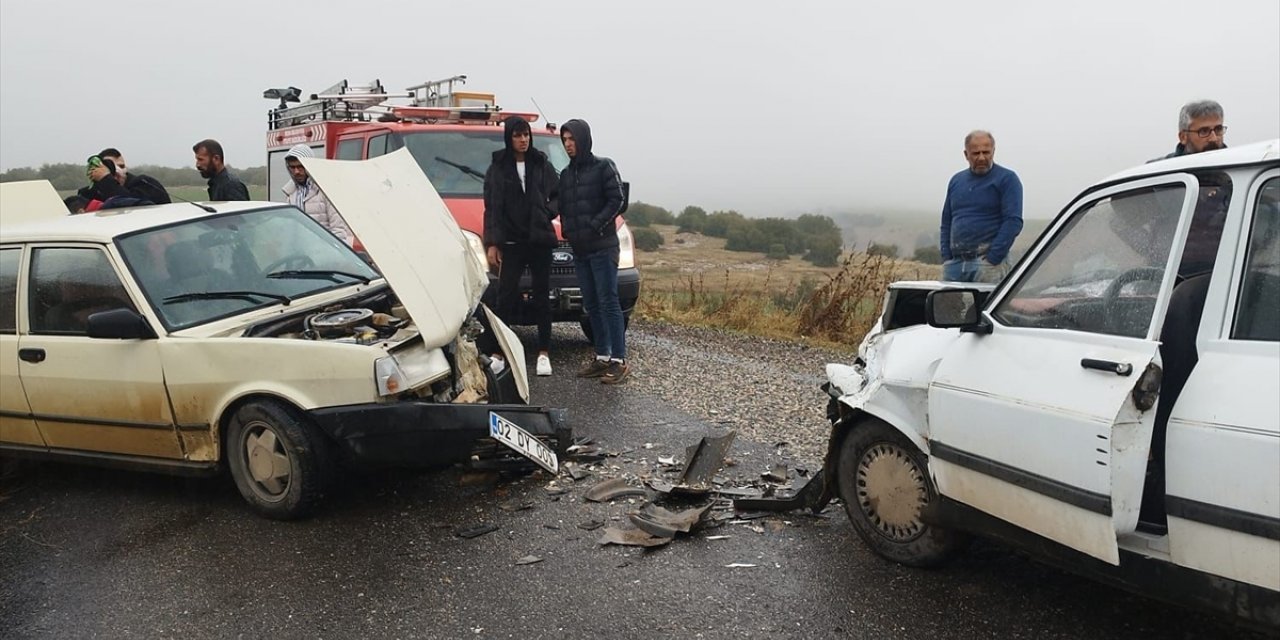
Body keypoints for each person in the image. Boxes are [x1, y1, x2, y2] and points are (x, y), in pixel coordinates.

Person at [483, 116, 559, 376]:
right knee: (504, 298)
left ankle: (544, 353)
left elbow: (557, 195)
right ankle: (499, 353)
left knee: (542, 296)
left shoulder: (540, 162)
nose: (523, 139)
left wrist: (545, 213)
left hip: (539, 241)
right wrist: (492, 243)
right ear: (509, 137)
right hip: (511, 243)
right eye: (517, 135)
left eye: (526, 134)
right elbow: (491, 207)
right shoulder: (498, 166)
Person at [557, 119, 629, 384]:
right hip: (580, 250)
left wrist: (596, 224)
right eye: (564, 140)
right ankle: (601, 357)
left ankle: (619, 361)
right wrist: (567, 230)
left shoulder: (603, 166)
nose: (568, 145)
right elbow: (561, 205)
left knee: (609, 301)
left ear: (583, 139)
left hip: (603, 247)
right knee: (591, 304)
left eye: (572, 139)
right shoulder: (565, 174)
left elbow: (618, 199)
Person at [938, 130, 1023, 283]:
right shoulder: (956, 181)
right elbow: (946, 222)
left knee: (986, 307)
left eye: (986, 152)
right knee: (950, 307)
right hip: (955, 265)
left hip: (988, 264)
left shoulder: (1007, 179)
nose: (982, 158)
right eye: (976, 153)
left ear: (994, 151)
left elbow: (1013, 221)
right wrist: (946, 257)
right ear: (966, 154)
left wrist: (993, 258)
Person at [281, 145, 353, 245]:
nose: (296, 171)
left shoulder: (326, 190)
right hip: (303, 255)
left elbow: (339, 230)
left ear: (309, 165)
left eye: (300, 166)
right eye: (292, 167)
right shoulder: (290, 194)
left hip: (325, 255)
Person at [1151, 100, 1227, 161]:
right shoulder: (1161, 171)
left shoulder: (1234, 165)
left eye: (1218, 129)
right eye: (1204, 131)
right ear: (1183, 137)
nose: (1213, 138)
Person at [91, 148, 172, 204]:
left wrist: (107, 181)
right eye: (111, 167)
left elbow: (130, 205)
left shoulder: (144, 184)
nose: (119, 171)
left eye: (122, 166)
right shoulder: (94, 193)